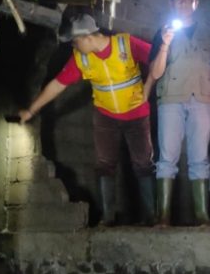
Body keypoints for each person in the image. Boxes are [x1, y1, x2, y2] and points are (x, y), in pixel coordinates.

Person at [18, 12, 155, 226]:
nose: (74, 46)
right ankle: (108, 217)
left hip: (137, 114)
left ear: (87, 38)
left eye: (74, 42)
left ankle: (151, 217)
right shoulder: (81, 58)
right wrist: (31, 110)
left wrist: (148, 87)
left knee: (143, 164)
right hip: (105, 116)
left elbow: (157, 61)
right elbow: (58, 84)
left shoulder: (125, 44)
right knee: (104, 165)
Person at [148, 0, 210, 226]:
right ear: (172, 2)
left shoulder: (209, 33)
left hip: (202, 99)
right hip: (171, 98)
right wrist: (165, 44)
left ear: (196, 2)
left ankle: (202, 215)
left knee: (200, 157)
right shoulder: (163, 32)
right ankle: (163, 216)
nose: (184, 1)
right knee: (167, 157)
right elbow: (156, 72)